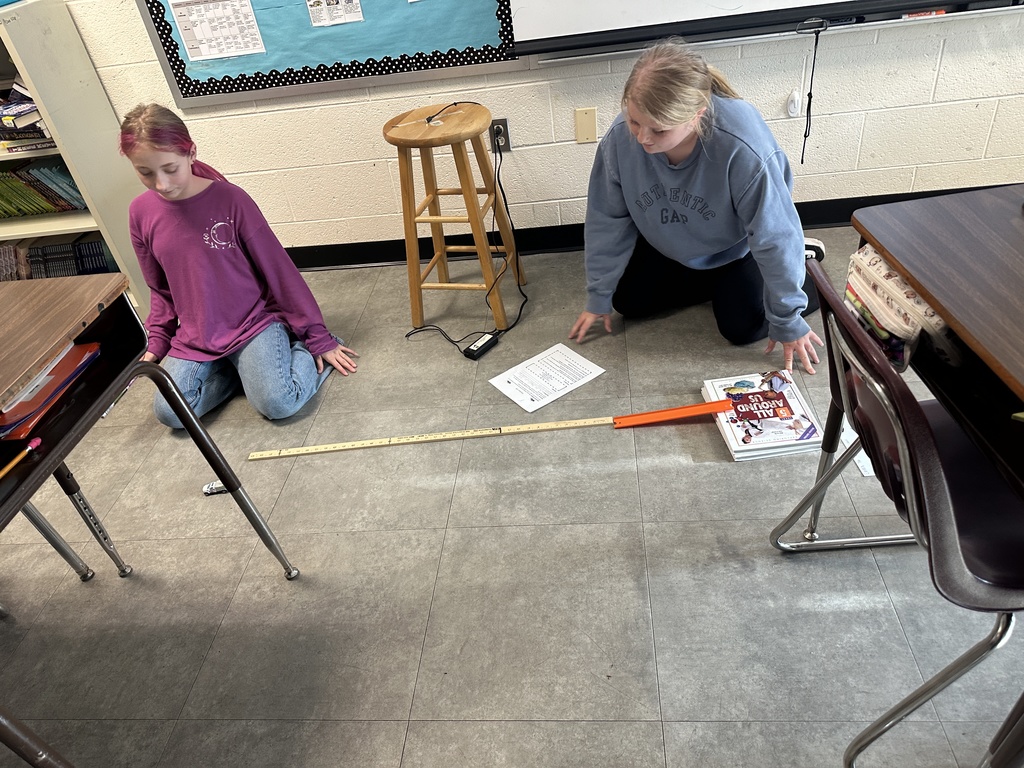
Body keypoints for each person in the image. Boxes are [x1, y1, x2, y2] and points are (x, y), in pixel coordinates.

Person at [568, 38, 823, 374]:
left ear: (695, 117)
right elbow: (607, 218)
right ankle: (713, 281)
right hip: (673, 242)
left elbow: (774, 234)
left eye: (659, 130)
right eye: (634, 121)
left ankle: (810, 271)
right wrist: (598, 295)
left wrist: (788, 318)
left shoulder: (742, 145)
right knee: (626, 301)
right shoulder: (619, 138)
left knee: (741, 328)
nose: (642, 138)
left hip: (736, 249)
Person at [118, 103, 358, 428]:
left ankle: (296, 350)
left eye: (170, 169)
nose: (161, 184)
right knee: (171, 413)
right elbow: (159, 289)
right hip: (197, 336)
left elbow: (280, 273)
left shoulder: (232, 200)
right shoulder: (139, 212)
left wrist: (318, 338)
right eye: (146, 173)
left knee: (278, 403)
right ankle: (242, 374)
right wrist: (157, 340)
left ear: (191, 153)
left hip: (253, 324)